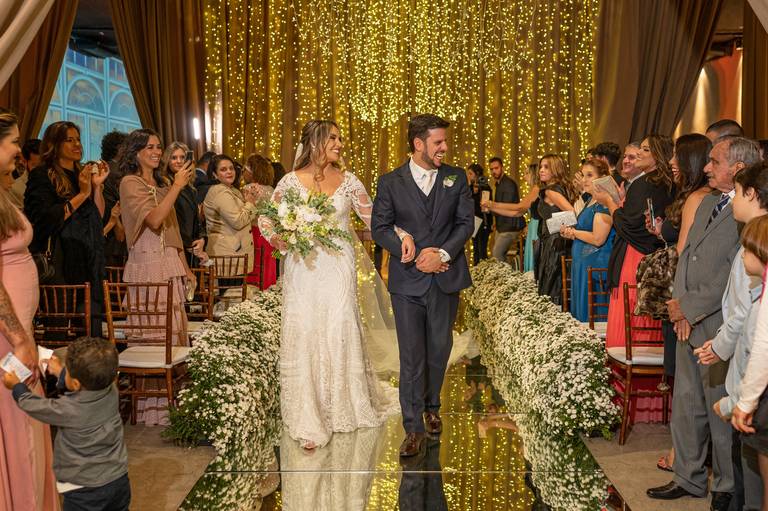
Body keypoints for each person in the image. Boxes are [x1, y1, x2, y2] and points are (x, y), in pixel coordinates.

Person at [260, 119, 400, 450]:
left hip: (338, 267)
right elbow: (266, 217)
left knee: (339, 326)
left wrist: (405, 235)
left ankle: (342, 406)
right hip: (302, 268)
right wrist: (278, 238)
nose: (339, 144)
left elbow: (376, 220)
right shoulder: (290, 181)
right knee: (306, 330)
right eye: (333, 138)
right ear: (315, 143)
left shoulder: (349, 182)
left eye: (340, 138)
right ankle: (309, 414)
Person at [647, 137, 762, 508]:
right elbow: (686, 256)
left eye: (715, 161)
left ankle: (726, 486)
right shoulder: (709, 202)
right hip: (688, 319)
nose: (707, 168)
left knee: (719, 409)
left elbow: (734, 271)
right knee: (686, 403)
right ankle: (688, 476)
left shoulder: (751, 212)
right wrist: (679, 305)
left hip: (718, 323)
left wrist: (690, 308)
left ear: (738, 168)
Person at [372, 114, 474, 457]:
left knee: (439, 348)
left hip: (445, 276)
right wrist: (409, 250)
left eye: (445, 141)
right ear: (418, 144)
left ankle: (432, 405)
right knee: (412, 355)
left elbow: (465, 224)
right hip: (407, 281)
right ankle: (413, 427)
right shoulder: (390, 182)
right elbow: (380, 227)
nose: (445, 147)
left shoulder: (456, 178)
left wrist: (441, 254)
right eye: (438, 142)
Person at [695, 162, 768, 511]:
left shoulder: (757, 244)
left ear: (752, 194)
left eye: (737, 193)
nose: (733, 199)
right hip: (747, 364)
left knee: (752, 473)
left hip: (753, 377)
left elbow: (751, 321)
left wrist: (737, 400)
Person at [0, 108, 58, 511]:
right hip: (8, 337)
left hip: (18, 331)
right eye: (14, 141)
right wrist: (19, 339)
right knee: (17, 423)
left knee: (25, 421)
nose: (19, 151)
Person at [645, 133, 712, 473]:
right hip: (685, 291)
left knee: (687, 384)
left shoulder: (698, 197)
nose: (671, 162)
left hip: (684, 293)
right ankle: (686, 452)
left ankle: (683, 456)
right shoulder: (690, 194)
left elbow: (685, 253)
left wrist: (679, 304)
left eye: (677, 157)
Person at [118, 129, 194, 425]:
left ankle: (174, 406)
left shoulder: (162, 184)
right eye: (150, 147)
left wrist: (185, 268)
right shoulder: (129, 183)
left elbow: (172, 231)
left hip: (169, 265)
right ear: (135, 152)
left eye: (158, 146)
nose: (156, 151)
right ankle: (152, 412)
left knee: (174, 332)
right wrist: (176, 186)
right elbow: (154, 219)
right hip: (147, 267)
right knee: (153, 336)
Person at [4, 337, 130, 511]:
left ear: (76, 383)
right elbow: (83, 385)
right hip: (118, 481)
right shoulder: (112, 391)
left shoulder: (68, 409)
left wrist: (17, 386)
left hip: (83, 491)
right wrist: (62, 372)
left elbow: (35, 405)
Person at [24, 121, 109, 337]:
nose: (77, 144)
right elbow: (45, 219)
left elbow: (97, 217)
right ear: (54, 144)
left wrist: (96, 187)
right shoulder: (42, 174)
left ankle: (89, 359)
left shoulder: (82, 174)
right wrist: (82, 194)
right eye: (69, 140)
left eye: (78, 139)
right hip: (60, 260)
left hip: (87, 259)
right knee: (58, 327)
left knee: (89, 326)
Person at [560, 159, 615, 322]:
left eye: (590, 175)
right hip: (583, 264)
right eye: (583, 175)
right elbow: (586, 231)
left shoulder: (604, 203)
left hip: (594, 265)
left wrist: (574, 232)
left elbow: (598, 239)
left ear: (602, 178)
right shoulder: (591, 200)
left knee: (592, 315)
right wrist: (571, 233)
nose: (584, 180)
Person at [531, 154, 575, 304]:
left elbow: (572, 214)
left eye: (546, 167)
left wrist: (552, 226)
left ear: (556, 169)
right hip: (554, 241)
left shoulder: (551, 191)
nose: (541, 170)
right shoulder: (558, 188)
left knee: (551, 285)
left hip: (554, 243)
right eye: (541, 167)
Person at [203, 154, 257, 279]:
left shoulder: (232, 190)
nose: (229, 172)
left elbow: (246, 217)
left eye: (231, 168)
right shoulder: (220, 192)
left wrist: (249, 202)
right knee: (229, 291)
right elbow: (237, 221)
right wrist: (250, 203)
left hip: (234, 255)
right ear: (215, 174)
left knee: (237, 290)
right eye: (223, 169)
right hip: (226, 258)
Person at [481, 163, 540, 272]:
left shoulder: (537, 189)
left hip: (536, 227)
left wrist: (493, 204)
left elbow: (519, 207)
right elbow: (516, 213)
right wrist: (492, 207)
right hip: (532, 227)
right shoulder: (533, 190)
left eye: (527, 173)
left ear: (534, 174)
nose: (524, 177)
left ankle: (510, 277)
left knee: (498, 253)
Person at [159, 142, 207, 267]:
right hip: (174, 248)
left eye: (182, 157)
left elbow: (196, 221)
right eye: (174, 158)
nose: (179, 161)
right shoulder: (165, 186)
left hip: (191, 248)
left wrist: (201, 240)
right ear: (167, 160)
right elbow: (172, 222)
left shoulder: (191, 189)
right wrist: (188, 243)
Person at [242, 153, 277, 288]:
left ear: (251, 171)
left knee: (255, 265)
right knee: (267, 264)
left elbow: (244, 212)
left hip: (254, 233)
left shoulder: (249, 188)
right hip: (269, 234)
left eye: (245, 170)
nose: (243, 173)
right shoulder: (271, 189)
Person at [488, 157, 525, 263]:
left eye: (496, 168)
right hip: (502, 227)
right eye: (491, 169)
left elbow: (506, 206)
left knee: (497, 253)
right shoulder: (499, 184)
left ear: (502, 167)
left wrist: (490, 207)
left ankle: (506, 274)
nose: (494, 171)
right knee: (498, 256)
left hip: (510, 227)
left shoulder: (508, 184)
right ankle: (505, 273)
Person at [101, 131, 128, 266]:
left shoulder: (105, 168)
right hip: (116, 235)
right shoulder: (118, 172)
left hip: (106, 232)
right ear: (119, 148)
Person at [467, 163, 492, 264]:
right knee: (476, 249)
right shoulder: (470, 187)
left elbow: (485, 207)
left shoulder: (485, 187)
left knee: (482, 250)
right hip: (474, 221)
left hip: (483, 221)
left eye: (470, 174)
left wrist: (478, 192)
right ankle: (476, 269)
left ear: (477, 174)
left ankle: (482, 270)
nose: (468, 176)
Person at [8, 138, 41, 209]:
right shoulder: (16, 189)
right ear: (24, 162)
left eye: (44, 165)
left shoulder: (54, 180)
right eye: (36, 166)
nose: (42, 170)